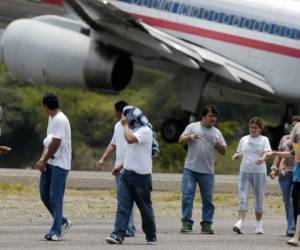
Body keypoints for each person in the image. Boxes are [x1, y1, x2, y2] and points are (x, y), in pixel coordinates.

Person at [105, 106, 158, 245]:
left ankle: (151, 235)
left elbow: (129, 139)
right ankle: (118, 235)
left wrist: (125, 125)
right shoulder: (132, 129)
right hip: (126, 174)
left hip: (142, 177)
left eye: (125, 116)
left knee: (145, 209)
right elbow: (130, 152)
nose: (123, 118)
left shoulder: (146, 130)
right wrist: (120, 167)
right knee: (123, 206)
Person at [179, 105, 226, 234]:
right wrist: (191, 137)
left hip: (207, 171)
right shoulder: (192, 127)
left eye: (215, 117)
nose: (213, 119)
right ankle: (186, 222)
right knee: (187, 195)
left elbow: (224, 150)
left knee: (208, 199)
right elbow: (181, 140)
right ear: (204, 116)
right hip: (191, 169)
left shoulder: (216, 132)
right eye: (211, 116)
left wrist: (218, 146)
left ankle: (207, 224)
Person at [96, 100, 136, 237]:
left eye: (115, 111)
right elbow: (113, 144)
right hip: (118, 169)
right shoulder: (117, 126)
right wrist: (102, 158)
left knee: (129, 199)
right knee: (122, 199)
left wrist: (123, 165)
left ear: (120, 112)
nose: (114, 113)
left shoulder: (135, 126)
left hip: (130, 168)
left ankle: (129, 228)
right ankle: (127, 227)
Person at [35, 93, 72, 241]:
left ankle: (56, 231)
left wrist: (44, 159)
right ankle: (63, 221)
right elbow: (48, 141)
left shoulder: (61, 120)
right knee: (44, 194)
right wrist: (43, 159)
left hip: (60, 165)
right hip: (50, 162)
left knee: (56, 198)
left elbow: (56, 143)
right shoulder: (52, 118)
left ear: (45, 106)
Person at [232, 117, 271, 235]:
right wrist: (236, 155)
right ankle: (240, 222)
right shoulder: (244, 139)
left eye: (256, 128)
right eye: (251, 127)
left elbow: (267, 153)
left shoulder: (264, 139)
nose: (253, 130)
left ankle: (259, 224)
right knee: (243, 196)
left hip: (259, 172)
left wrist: (262, 159)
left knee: (259, 198)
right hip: (245, 171)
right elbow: (239, 152)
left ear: (260, 129)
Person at [270, 116, 300, 237]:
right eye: (293, 125)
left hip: (296, 173)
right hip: (285, 173)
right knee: (287, 201)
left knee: (294, 201)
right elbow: (280, 154)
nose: (294, 127)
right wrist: (274, 168)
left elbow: (291, 153)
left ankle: (294, 229)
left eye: (297, 125)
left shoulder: (298, 141)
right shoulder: (285, 139)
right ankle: (290, 226)